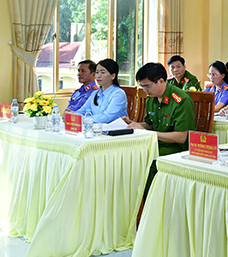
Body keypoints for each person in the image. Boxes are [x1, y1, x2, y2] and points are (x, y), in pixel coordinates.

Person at [124, 62, 194, 195]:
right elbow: (149, 124)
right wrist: (134, 124)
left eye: (147, 86)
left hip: (175, 148)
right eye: (142, 86)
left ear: (161, 81)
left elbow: (181, 137)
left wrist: (148, 133)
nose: (145, 90)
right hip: (155, 143)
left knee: (148, 161)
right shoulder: (151, 98)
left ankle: (147, 201)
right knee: (128, 156)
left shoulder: (181, 100)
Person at [72, 58, 128, 123]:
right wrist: (72, 116)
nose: (98, 76)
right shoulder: (95, 93)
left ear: (113, 76)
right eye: (97, 72)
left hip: (115, 128)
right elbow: (82, 111)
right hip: (97, 127)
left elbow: (106, 117)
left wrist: (81, 119)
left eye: (102, 72)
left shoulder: (118, 94)